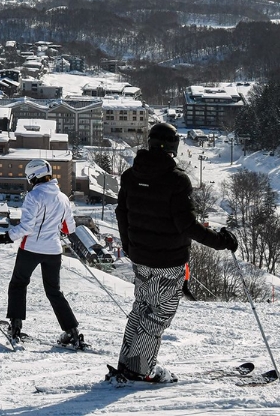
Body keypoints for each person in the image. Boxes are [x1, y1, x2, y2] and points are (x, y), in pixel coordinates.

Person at [109, 122, 238, 384]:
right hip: (168, 261)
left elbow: (121, 213)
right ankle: (140, 369)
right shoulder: (176, 180)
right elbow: (186, 225)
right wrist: (221, 242)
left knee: (142, 308)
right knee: (158, 315)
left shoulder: (130, 175)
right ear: (173, 146)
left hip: (140, 257)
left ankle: (128, 362)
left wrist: (130, 246)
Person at [0, 159, 84, 349]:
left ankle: (15, 329)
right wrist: (55, 226)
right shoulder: (63, 197)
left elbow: (27, 227)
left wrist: (5, 237)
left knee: (18, 284)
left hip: (31, 249)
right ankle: (72, 332)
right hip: (54, 251)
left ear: (33, 176)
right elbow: (69, 228)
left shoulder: (34, 196)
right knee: (54, 292)